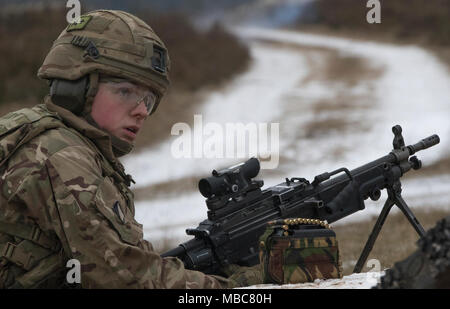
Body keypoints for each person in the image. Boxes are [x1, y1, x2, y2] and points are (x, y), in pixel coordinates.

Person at [0, 9, 261, 289]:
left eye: (148, 100)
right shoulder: (61, 156)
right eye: (125, 91)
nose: (141, 112)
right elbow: (126, 279)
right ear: (77, 84)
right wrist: (237, 287)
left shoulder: (39, 133)